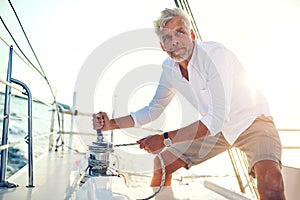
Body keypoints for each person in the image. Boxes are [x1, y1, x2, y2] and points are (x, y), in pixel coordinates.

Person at [93, 8, 285, 199]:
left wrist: (164, 138)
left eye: (180, 32)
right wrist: (111, 124)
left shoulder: (215, 55)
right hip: (216, 128)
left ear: (192, 34)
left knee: (272, 184)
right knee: (162, 165)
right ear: (162, 46)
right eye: (167, 38)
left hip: (251, 122)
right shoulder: (169, 69)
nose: (174, 40)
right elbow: (152, 111)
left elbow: (217, 119)